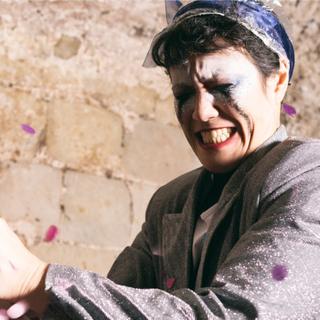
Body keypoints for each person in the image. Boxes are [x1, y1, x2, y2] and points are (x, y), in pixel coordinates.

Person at [1, 0, 320, 319]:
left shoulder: (309, 175)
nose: (201, 112)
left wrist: (36, 281)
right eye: (183, 95)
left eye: (222, 87)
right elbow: (111, 303)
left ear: (278, 79)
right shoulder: (170, 202)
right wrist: (29, 307)